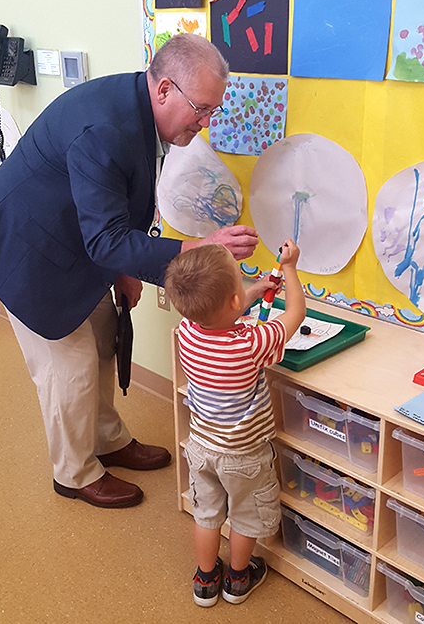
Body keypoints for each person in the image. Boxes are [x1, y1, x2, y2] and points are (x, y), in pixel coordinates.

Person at [0, 34, 259, 509]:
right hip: (32, 249)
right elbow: (106, 236)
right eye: (201, 109)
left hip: (84, 240)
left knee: (101, 343)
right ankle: (74, 473)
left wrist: (125, 268)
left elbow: (118, 203)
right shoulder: (105, 128)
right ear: (164, 90)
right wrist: (201, 245)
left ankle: (107, 439)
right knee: (69, 367)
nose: (205, 123)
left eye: (212, 111)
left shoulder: (141, 110)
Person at [164, 239, 306, 606]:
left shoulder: (187, 331)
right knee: (244, 517)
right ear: (232, 302)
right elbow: (295, 316)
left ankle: (206, 580)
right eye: (239, 282)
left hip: (201, 447)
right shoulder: (251, 343)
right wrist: (289, 268)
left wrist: (253, 292)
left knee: (207, 513)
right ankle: (239, 578)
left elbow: (219, 313)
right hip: (244, 454)